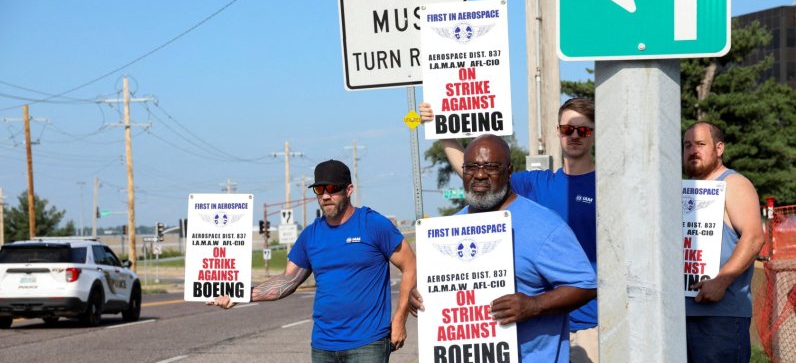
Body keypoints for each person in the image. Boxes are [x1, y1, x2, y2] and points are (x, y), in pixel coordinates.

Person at [419, 98, 599, 362]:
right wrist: (439, 126)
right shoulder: (535, 183)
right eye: (566, 129)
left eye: (582, 130)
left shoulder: (606, 185)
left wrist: (534, 305)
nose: (573, 135)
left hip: (590, 321)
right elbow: (478, 169)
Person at [209, 159, 417, 362]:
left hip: (367, 343)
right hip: (323, 346)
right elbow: (287, 281)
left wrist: (399, 319)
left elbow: (410, 266)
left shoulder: (372, 224)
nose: (326, 196)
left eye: (333, 188)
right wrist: (239, 294)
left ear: (349, 190)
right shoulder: (311, 235)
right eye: (319, 190)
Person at [682, 122, 764, 363]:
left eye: (700, 144)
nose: (692, 150)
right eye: (687, 145)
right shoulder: (684, 189)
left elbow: (754, 237)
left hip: (720, 318)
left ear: (719, 148)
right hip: (681, 315)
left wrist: (721, 281)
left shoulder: (733, 183)